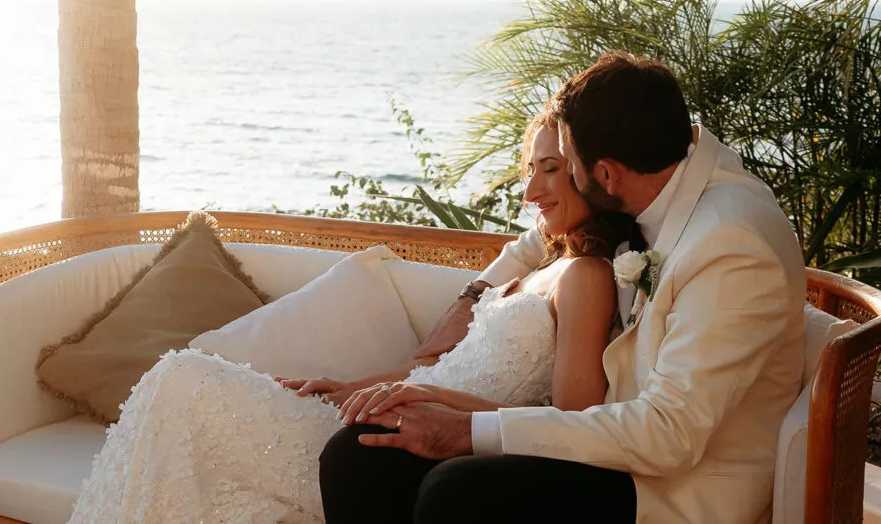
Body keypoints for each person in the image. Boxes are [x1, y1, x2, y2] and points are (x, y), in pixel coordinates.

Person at [66, 114, 631, 524]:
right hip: (395, 412)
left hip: (418, 442)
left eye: (551, 170)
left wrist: (441, 404)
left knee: (182, 378)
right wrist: (354, 387)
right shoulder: (537, 267)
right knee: (177, 380)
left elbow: (573, 416)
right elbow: (443, 368)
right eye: (530, 171)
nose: (532, 191)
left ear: (589, 172)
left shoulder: (587, 277)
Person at [319, 50, 806, 524]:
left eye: (566, 165)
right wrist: (470, 300)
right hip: (621, 442)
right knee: (359, 455)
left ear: (607, 174)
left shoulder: (731, 246)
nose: (559, 181)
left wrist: (466, 429)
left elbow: (668, 435)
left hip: (681, 488)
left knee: (458, 493)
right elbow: (538, 240)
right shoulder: (662, 174)